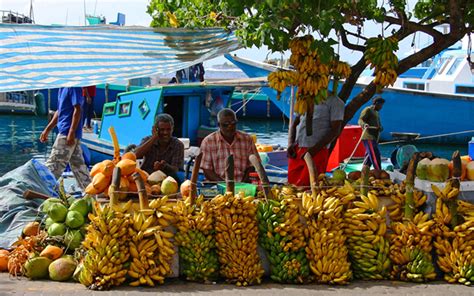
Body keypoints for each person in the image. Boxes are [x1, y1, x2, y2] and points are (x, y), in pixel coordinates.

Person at [39, 87, 91, 190]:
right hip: (66, 132)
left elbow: (78, 109)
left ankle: (43, 192)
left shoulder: (74, 86)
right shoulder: (62, 88)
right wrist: (47, 129)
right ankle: (91, 193)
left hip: (66, 134)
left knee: (54, 166)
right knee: (79, 167)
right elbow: (60, 111)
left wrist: (71, 132)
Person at [287, 94, 345, 186]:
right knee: (292, 186)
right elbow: (295, 124)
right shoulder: (303, 99)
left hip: (317, 151)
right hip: (297, 149)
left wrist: (313, 150)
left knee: (311, 186)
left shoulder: (335, 102)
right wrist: (291, 143)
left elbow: (335, 130)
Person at [200, 108, 258, 182]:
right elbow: (207, 169)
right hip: (218, 185)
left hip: (243, 185)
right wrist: (225, 185)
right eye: (225, 125)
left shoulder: (247, 139)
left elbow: (252, 165)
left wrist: (242, 185)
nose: (229, 127)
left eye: (233, 123)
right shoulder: (208, 142)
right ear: (219, 125)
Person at [134, 113, 184, 181]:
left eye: (168, 129)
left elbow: (175, 169)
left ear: (172, 129)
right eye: (162, 130)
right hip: (145, 178)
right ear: (156, 129)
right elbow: (135, 155)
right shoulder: (147, 140)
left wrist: (164, 166)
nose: (165, 132)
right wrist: (154, 137)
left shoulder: (178, 145)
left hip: (166, 181)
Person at [358, 96, 385, 170]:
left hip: (375, 138)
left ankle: (364, 171)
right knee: (375, 155)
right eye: (381, 105)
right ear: (376, 103)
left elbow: (379, 125)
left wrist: (380, 128)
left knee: (369, 157)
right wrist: (364, 124)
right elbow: (360, 120)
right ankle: (378, 171)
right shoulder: (368, 110)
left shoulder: (376, 113)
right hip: (368, 137)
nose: (381, 107)